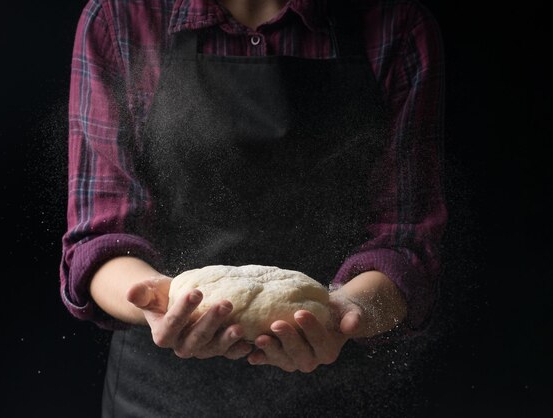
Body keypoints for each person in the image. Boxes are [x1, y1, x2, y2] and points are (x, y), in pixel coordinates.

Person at [59, 0, 447, 416]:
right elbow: (97, 236)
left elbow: (406, 241)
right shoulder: (123, 16)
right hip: (160, 393)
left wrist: (349, 310)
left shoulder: (394, 25)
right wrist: (157, 302)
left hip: (341, 383)